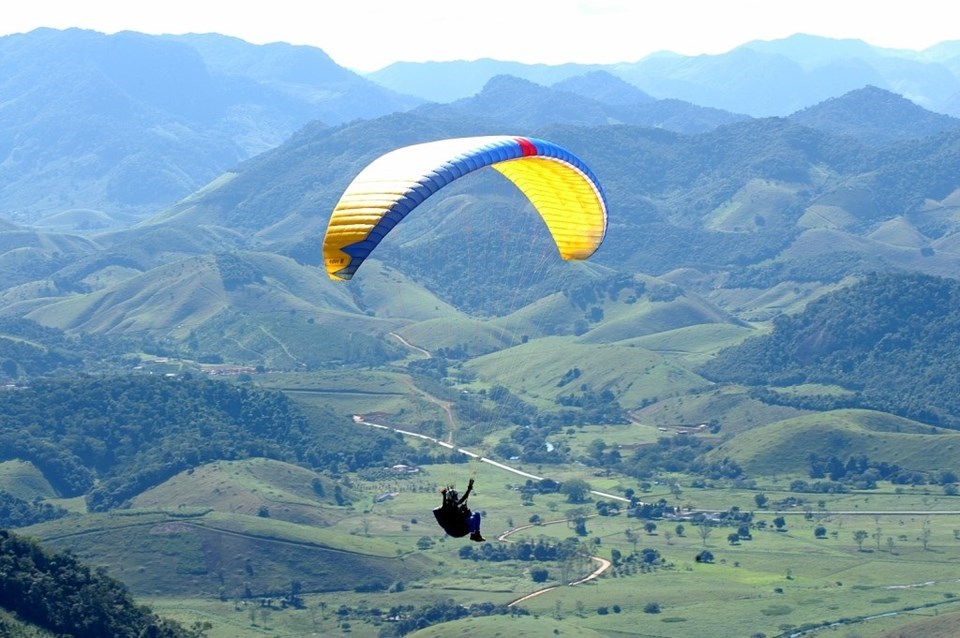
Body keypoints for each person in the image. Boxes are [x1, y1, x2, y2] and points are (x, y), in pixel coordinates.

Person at [433, 478, 485, 542]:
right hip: (457, 530)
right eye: (455, 496)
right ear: (452, 497)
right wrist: (444, 495)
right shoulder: (447, 506)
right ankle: (474, 534)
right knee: (471, 519)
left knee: (477, 515)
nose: (456, 498)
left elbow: (463, 499)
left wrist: (469, 489)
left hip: (460, 527)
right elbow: (445, 505)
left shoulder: (454, 503)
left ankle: (476, 534)